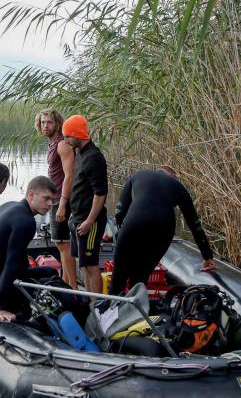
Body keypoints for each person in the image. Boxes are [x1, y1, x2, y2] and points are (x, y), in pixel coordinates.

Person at [0, 175, 59, 322]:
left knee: (50, 271)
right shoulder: (26, 221)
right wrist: (1, 305)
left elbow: (18, 263)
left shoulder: (8, 207)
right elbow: (12, 264)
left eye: (52, 200)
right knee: (49, 280)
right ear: (31, 194)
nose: (50, 204)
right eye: (46, 198)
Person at [109, 166, 215, 295]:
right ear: (172, 177)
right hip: (164, 228)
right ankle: (136, 309)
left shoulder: (138, 175)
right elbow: (195, 225)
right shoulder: (178, 186)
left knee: (119, 277)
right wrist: (207, 256)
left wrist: (122, 235)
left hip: (135, 221)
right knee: (140, 278)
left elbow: (120, 212)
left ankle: (112, 309)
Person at [62, 114, 107, 294]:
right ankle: (88, 301)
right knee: (83, 264)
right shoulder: (80, 153)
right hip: (78, 218)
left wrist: (89, 221)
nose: (65, 140)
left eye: (67, 136)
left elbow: (100, 193)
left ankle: (95, 306)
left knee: (91, 265)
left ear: (78, 134)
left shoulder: (94, 158)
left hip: (90, 222)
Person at [35, 108, 78, 288]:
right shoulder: (52, 143)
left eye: (49, 122)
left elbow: (70, 176)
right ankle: (66, 284)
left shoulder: (62, 144)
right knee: (60, 244)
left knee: (64, 245)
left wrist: (62, 204)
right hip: (55, 198)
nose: (45, 126)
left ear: (57, 124)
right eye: (43, 122)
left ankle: (74, 289)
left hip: (62, 199)